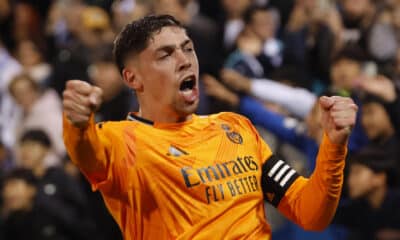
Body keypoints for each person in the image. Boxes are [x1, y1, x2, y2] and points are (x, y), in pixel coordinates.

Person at [63, 15, 358, 239]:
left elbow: (310, 213)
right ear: (133, 79)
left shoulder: (236, 128)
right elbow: (85, 150)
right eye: (165, 54)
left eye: (187, 49)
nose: (185, 61)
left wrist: (333, 145)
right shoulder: (120, 140)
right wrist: (76, 123)